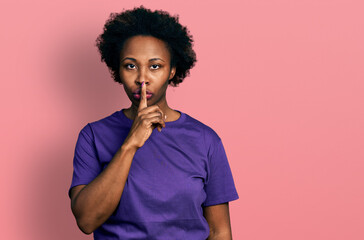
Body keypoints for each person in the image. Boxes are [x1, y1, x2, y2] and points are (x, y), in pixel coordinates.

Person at [68, 6, 239, 240]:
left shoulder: (205, 140)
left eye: (155, 66)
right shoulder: (93, 136)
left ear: (172, 71)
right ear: (117, 70)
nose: (142, 78)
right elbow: (86, 221)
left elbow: (219, 231)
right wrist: (130, 144)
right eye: (130, 65)